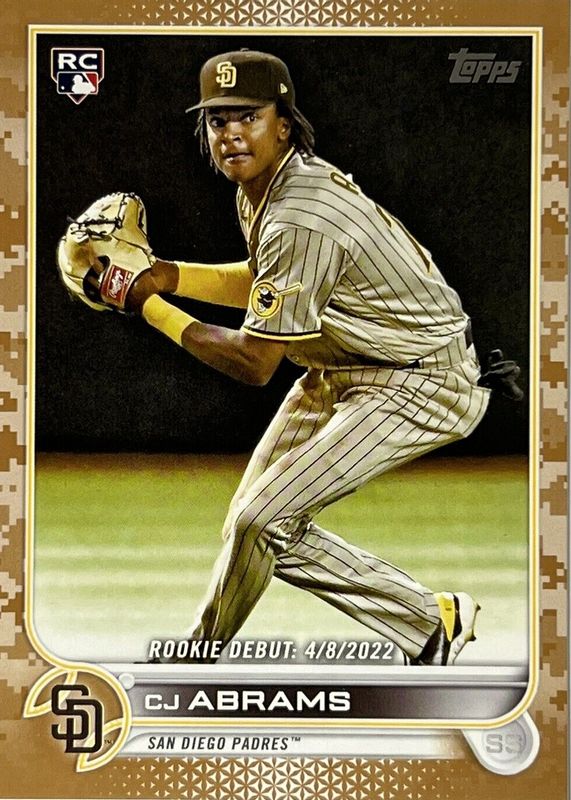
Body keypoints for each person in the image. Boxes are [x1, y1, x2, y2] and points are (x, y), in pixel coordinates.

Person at [127, 49, 491, 665]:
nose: (231, 133)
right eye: (217, 119)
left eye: (248, 116)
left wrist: (148, 306)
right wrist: (168, 274)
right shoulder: (267, 188)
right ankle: (199, 657)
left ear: (284, 125)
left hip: (420, 381)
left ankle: (433, 620)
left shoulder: (301, 213)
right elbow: (271, 284)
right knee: (250, 522)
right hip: (345, 367)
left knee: (264, 521)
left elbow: (255, 361)